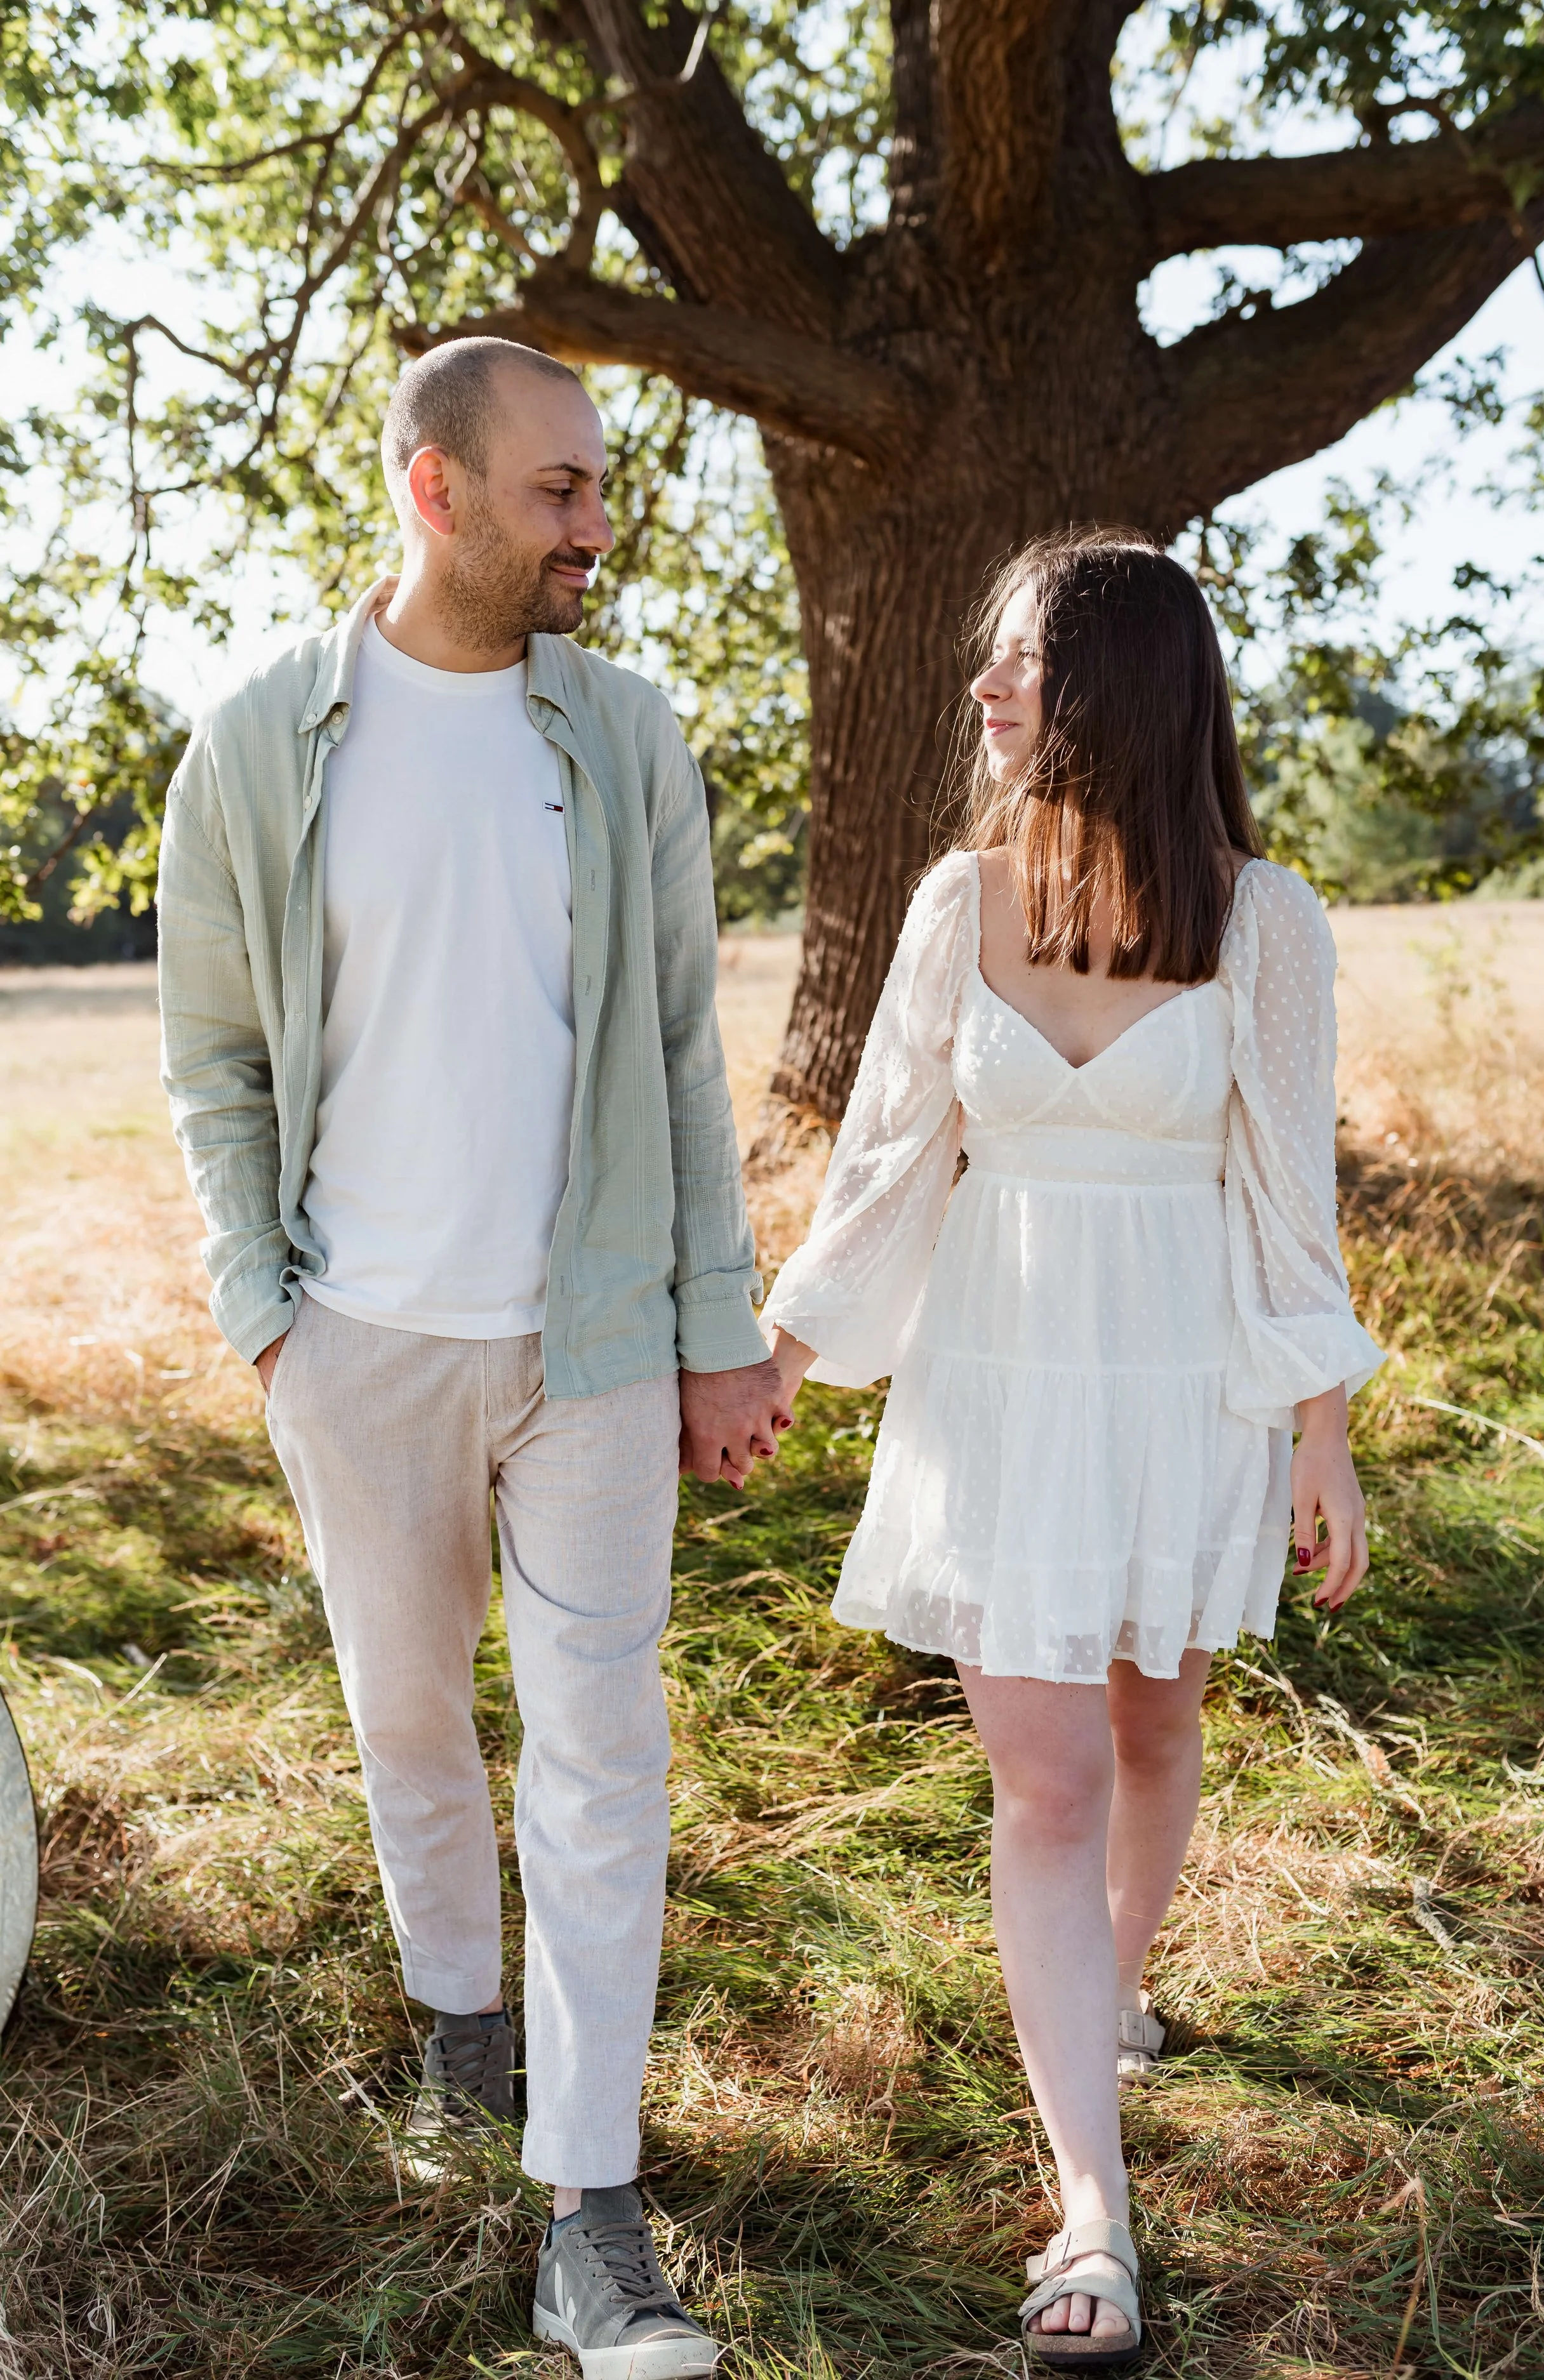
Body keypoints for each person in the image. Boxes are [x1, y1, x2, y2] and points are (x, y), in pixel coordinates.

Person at [157, 334, 789, 2379]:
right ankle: (460, 2012)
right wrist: (270, 1306)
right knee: (413, 1716)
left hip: (592, 1337)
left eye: (600, 488)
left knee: (602, 1756)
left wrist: (716, 1323)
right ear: (436, 492)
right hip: (362, 1339)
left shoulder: (625, 736)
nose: (597, 526)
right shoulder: (261, 744)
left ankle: (590, 2205)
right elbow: (215, 1059)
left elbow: (684, 1055)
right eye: (560, 493)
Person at [762, 529, 1382, 2369]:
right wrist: (776, 1357)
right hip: (1002, 1383)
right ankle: (1092, 2212)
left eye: (1015, 661)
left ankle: (1109, 1983)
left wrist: (1318, 1433)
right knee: (1037, 1779)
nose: (980, 692)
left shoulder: (1261, 921)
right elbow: (882, 1157)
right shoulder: (960, 906)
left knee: (1152, 1721)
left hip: (1180, 1382)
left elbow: (1290, 1196)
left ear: (1114, 685)